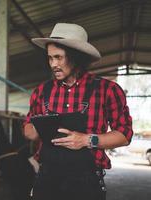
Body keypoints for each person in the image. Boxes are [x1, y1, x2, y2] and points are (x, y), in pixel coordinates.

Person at [23, 23, 133, 200]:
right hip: (47, 179)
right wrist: (34, 130)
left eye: (59, 57)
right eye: (50, 58)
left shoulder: (107, 90)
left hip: (86, 182)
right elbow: (28, 128)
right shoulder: (41, 91)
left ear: (77, 57)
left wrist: (86, 140)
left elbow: (124, 135)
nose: (53, 64)